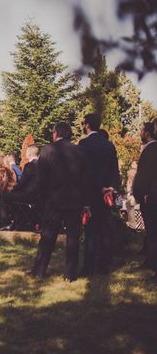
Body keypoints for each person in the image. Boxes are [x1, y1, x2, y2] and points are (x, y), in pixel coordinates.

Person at [30, 122, 87, 281]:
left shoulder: (47, 150)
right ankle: (70, 274)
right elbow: (84, 179)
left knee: (47, 236)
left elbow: (41, 179)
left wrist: (42, 199)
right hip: (75, 200)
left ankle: (39, 270)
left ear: (56, 134)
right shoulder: (79, 151)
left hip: (54, 200)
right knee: (73, 238)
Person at [79, 113, 121, 277]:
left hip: (90, 193)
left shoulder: (84, 144)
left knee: (90, 230)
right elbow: (114, 170)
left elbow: (84, 172)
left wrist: (93, 190)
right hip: (106, 194)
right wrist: (110, 188)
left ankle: (89, 267)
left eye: (83, 123)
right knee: (104, 229)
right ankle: (104, 265)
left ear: (87, 124)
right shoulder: (109, 145)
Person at [132, 121, 157, 280]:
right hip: (146, 196)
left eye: (141, 130)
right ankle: (150, 259)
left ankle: (153, 261)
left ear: (147, 133)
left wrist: (149, 192)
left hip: (151, 197)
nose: (140, 133)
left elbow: (153, 174)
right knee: (150, 230)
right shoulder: (148, 149)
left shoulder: (153, 149)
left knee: (153, 230)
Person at [0, 144, 39, 230]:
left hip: (29, 195)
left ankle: (6, 223)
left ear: (29, 153)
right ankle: (20, 222)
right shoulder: (44, 165)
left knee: (4, 196)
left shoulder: (29, 165)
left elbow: (22, 183)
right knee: (17, 202)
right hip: (39, 196)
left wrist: (13, 190)